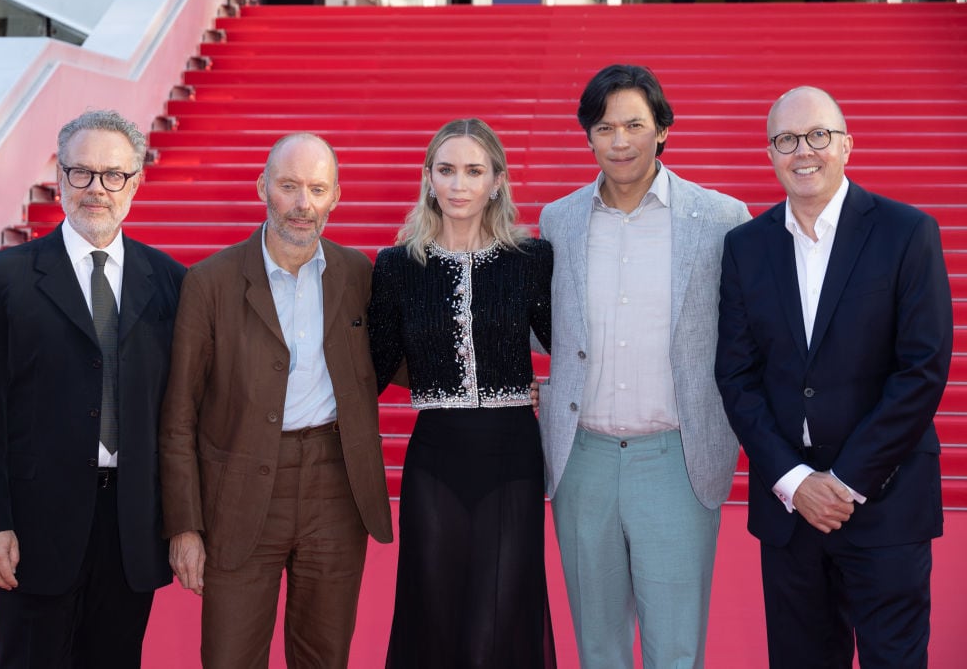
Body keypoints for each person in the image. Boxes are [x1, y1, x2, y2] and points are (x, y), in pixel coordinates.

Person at [715, 86, 952, 668]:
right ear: (770, 153)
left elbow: (922, 370)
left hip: (886, 502)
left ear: (847, 145)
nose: (803, 151)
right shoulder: (746, 246)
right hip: (790, 512)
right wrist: (797, 481)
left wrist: (843, 481)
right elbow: (736, 376)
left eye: (818, 135)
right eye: (786, 139)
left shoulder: (907, 233)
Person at [0, 109, 186, 668]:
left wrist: (185, 523)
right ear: (59, 177)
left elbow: (183, 414)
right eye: (81, 173)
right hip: (34, 527)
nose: (96, 189)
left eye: (113, 175)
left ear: (136, 181)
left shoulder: (173, 282)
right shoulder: (2, 278)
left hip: (132, 527)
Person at [537, 64, 750, 668]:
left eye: (635, 124)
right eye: (605, 128)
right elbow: (542, 322)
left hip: (675, 458)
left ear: (662, 130)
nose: (620, 141)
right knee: (598, 646)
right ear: (588, 137)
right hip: (583, 460)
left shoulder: (720, 219)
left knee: (675, 649)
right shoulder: (560, 221)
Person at [158, 132, 392, 669]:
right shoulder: (209, 282)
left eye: (316, 188)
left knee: (324, 655)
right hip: (237, 491)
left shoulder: (358, 274)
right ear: (263, 186)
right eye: (289, 186)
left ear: (336, 196)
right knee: (230, 656)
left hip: (336, 488)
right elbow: (178, 418)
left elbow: (400, 355)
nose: (302, 204)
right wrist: (184, 526)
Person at [369, 118, 557, 668]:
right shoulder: (398, 267)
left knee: (499, 612)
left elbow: (572, 346)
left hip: (511, 456)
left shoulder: (530, 261)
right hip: (435, 458)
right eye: (446, 170)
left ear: (496, 182)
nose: (458, 184)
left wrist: (547, 387)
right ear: (428, 179)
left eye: (473, 171)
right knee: (434, 606)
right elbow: (372, 368)